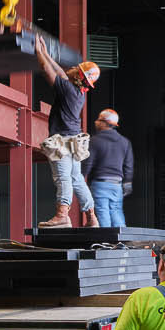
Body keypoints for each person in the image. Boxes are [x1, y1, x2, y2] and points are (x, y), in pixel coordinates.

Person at [34, 40, 99, 229]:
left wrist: (38, 53)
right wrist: (46, 53)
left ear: (79, 75)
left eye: (76, 69)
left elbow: (47, 71)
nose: (71, 68)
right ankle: (92, 217)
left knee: (63, 177)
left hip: (62, 141)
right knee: (77, 179)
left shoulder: (67, 90)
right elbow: (62, 74)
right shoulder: (77, 92)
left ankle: (62, 215)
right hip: (73, 141)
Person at [83, 109, 134, 229]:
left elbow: (88, 164)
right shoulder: (124, 142)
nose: (96, 122)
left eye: (99, 120)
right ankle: (122, 243)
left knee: (102, 212)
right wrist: (127, 183)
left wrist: (79, 179)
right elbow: (128, 165)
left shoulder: (95, 141)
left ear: (105, 123)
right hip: (117, 185)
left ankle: (106, 242)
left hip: (101, 184)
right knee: (117, 212)